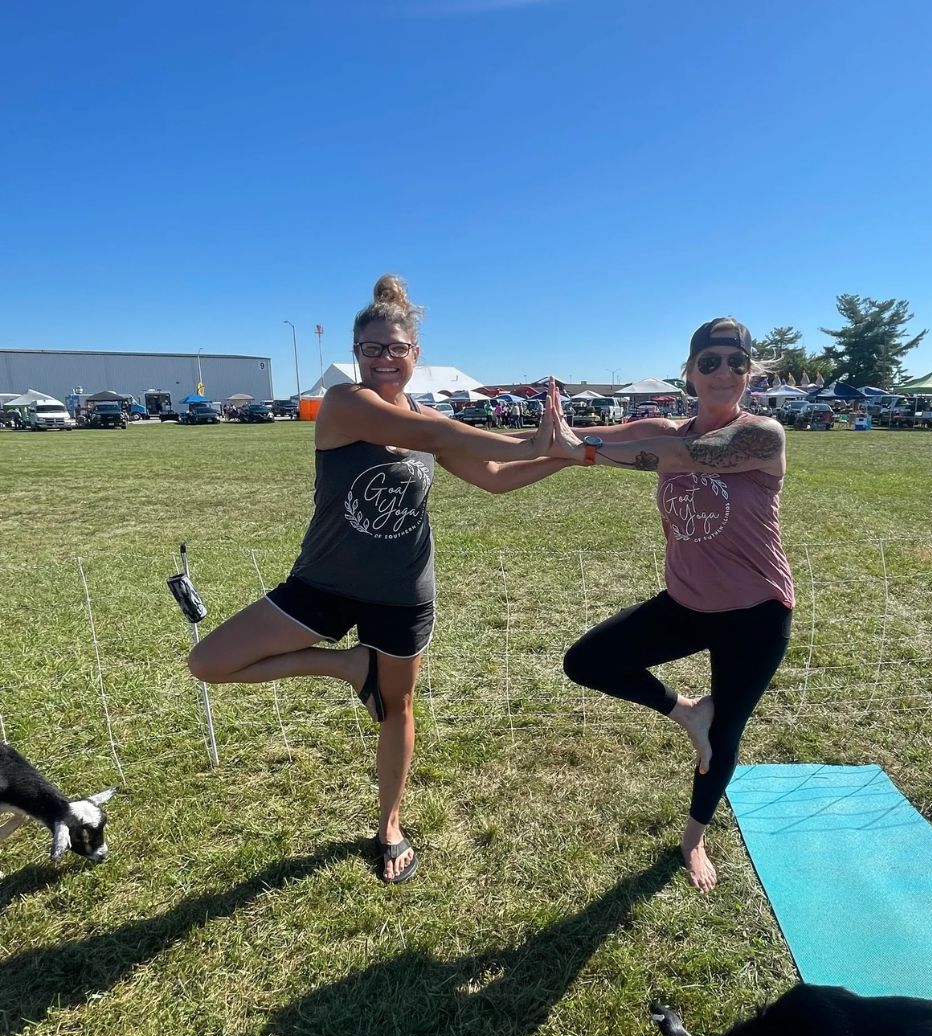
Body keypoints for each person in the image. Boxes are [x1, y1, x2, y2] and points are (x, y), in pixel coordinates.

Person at [188, 274, 576, 884]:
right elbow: (432, 436)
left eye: (398, 349)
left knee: (397, 709)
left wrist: (556, 456)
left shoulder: (426, 415)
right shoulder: (347, 405)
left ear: (415, 354)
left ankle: (389, 822)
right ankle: (347, 666)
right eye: (373, 350)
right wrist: (534, 436)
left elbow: (495, 476)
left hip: (403, 591)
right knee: (209, 661)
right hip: (324, 581)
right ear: (357, 357)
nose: (386, 359)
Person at [557, 317, 794, 894]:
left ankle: (693, 837)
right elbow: (598, 436)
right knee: (586, 661)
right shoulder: (665, 425)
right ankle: (687, 711)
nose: (722, 373)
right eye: (708, 362)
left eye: (735, 363)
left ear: (749, 373)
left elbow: (676, 456)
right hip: (686, 603)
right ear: (688, 372)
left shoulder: (763, 434)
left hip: (755, 612)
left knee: (727, 732)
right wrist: (552, 434)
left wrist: (579, 452)